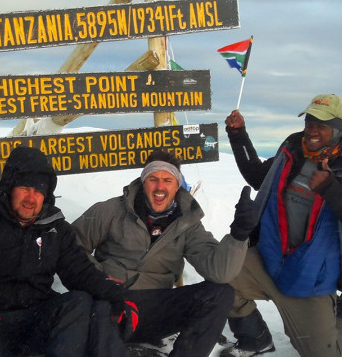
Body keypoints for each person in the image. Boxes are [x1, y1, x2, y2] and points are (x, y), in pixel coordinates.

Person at [224, 94, 342, 357]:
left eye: (322, 124)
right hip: (269, 258)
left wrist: (330, 188)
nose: (312, 130)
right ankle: (255, 340)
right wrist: (237, 134)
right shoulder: (294, 150)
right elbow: (259, 177)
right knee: (221, 275)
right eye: (310, 121)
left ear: (338, 129)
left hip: (311, 277)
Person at [0, 146, 137, 357]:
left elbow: (80, 272)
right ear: (9, 187)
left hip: (37, 318)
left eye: (39, 191)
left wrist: (117, 295)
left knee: (79, 302)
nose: (31, 197)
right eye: (25, 188)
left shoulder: (55, 230)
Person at [72, 149, 255, 357]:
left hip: (153, 309)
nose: (160, 186)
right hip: (110, 304)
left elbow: (219, 272)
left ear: (177, 186)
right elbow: (71, 247)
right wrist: (101, 282)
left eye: (168, 180)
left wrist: (239, 235)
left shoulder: (188, 223)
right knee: (95, 310)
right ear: (143, 182)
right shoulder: (110, 211)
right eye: (153, 179)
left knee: (221, 294)